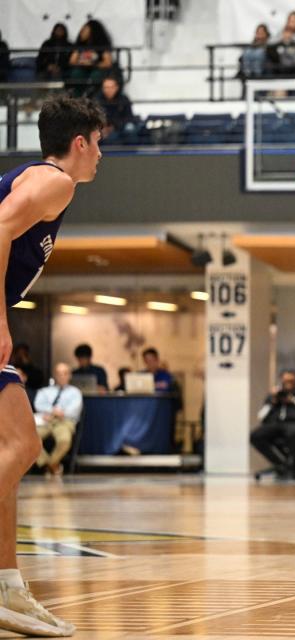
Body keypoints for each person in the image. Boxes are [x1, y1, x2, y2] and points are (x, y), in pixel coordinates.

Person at [0, 94, 104, 637]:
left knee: (10, 455)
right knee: (23, 447)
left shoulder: (43, 183)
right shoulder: (54, 181)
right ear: (79, 142)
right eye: (99, 144)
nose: (101, 157)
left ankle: (8, 588)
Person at [249, 369, 295, 480]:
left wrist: (294, 400)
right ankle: (281, 464)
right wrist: (273, 401)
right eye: (285, 381)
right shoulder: (276, 394)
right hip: (277, 424)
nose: (288, 384)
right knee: (255, 435)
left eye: (291, 381)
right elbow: (261, 416)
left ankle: (294, 468)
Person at [33, 363, 82, 477]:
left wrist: (56, 413)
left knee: (64, 440)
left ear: (69, 375)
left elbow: (73, 410)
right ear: (54, 375)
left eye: (65, 373)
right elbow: (38, 404)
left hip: (64, 422)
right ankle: (50, 466)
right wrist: (52, 411)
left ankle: (50, 465)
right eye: (59, 374)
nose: (62, 376)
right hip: (46, 421)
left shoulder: (75, 393)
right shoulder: (44, 391)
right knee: (30, 438)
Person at [67, 19, 114, 96]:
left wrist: (93, 64)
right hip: (82, 69)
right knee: (76, 74)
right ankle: (78, 97)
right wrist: (81, 63)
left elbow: (108, 63)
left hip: (96, 69)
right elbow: (72, 61)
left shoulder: (101, 44)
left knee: (96, 75)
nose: (82, 32)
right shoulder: (80, 44)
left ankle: (92, 96)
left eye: (85, 30)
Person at [95, 76, 136, 142]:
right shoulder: (97, 100)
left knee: (130, 128)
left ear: (116, 88)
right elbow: (95, 118)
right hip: (103, 128)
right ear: (102, 88)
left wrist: (114, 127)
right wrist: (102, 127)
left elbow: (129, 117)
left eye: (111, 87)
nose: (109, 90)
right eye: (106, 87)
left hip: (120, 127)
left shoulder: (124, 99)